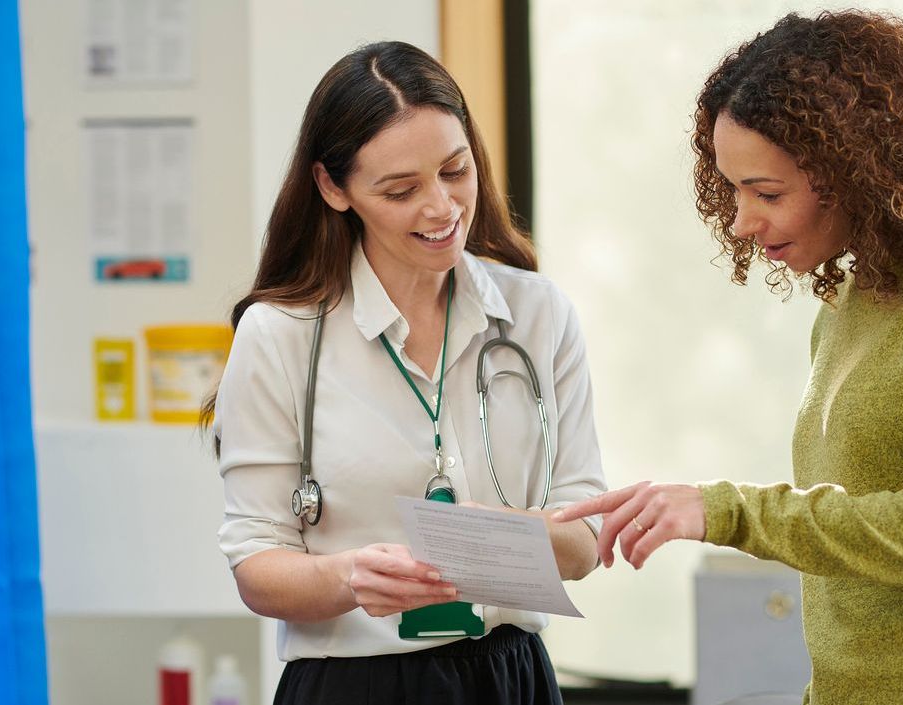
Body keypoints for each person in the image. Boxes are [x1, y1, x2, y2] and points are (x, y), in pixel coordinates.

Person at [555, 10, 903, 704]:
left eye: (766, 192)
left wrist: (728, 512)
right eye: (732, 189)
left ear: (858, 167)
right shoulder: (852, 297)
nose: (740, 221)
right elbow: (857, 544)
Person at [204, 41, 606, 704]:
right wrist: (348, 576)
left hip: (510, 678)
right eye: (400, 190)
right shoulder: (280, 336)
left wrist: (502, 538)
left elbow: (585, 542)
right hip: (352, 684)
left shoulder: (538, 315)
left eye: (456, 170)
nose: (442, 207)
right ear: (334, 188)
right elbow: (256, 565)